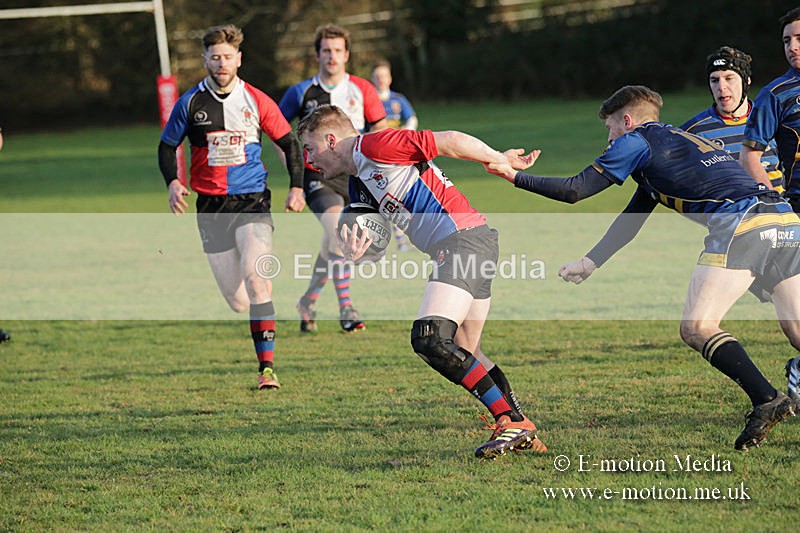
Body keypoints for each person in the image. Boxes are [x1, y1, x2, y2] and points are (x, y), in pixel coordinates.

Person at [487, 85, 800, 451]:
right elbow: (632, 219)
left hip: (743, 224)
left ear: (627, 120)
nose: (608, 139)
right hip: (785, 221)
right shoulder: (676, 140)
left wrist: (513, 177)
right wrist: (589, 263)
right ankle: (770, 400)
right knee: (796, 330)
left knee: (697, 327)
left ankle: (767, 398)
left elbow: (575, 190)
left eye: (609, 129)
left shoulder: (635, 141)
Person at [297, 104, 548, 459]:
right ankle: (521, 429)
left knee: (429, 338)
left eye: (310, 149)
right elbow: (378, 248)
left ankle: (510, 420)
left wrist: (497, 158)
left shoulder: (375, 146)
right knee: (467, 350)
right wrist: (359, 254)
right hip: (471, 241)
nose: (309, 160)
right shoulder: (359, 188)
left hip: (463, 240)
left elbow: (448, 140)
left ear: (331, 139)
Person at [158, 24, 306, 391]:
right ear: (205, 59)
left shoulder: (256, 100)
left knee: (257, 280)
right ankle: (262, 308)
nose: (221, 63)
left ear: (239, 59)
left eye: (228, 56)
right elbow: (166, 147)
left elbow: (290, 144)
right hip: (210, 206)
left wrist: (297, 188)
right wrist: (173, 182)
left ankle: (267, 370)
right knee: (239, 301)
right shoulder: (190, 103)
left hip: (252, 200)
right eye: (215, 56)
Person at [279, 24, 387, 334]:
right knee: (339, 230)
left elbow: (380, 132)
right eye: (326, 50)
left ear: (347, 54)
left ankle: (307, 301)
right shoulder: (301, 92)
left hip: (354, 177)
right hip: (317, 177)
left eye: (338, 50)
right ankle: (346, 308)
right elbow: (278, 131)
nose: (332, 56)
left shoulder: (363, 90)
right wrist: (294, 167)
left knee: (332, 243)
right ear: (317, 54)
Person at [681, 46, 783, 192]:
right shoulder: (692, 132)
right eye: (714, 80)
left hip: (782, 212)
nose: (721, 87)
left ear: (746, 81)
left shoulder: (774, 120)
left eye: (729, 78)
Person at [742, 7, 800, 211]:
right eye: (787, 41)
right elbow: (748, 156)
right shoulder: (774, 94)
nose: (792, 47)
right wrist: (776, 207)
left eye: (799, 38)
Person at [371, 59, 417, 252]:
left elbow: (412, 118)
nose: (381, 80)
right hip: (377, 157)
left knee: (401, 196)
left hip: (398, 155)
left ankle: (404, 241)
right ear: (372, 79)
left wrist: (406, 133)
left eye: (384, 76)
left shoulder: (398, 100)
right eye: (377, 76)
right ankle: (398, 242)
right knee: (389, 198)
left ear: (390, 78)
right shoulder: (369, 100)